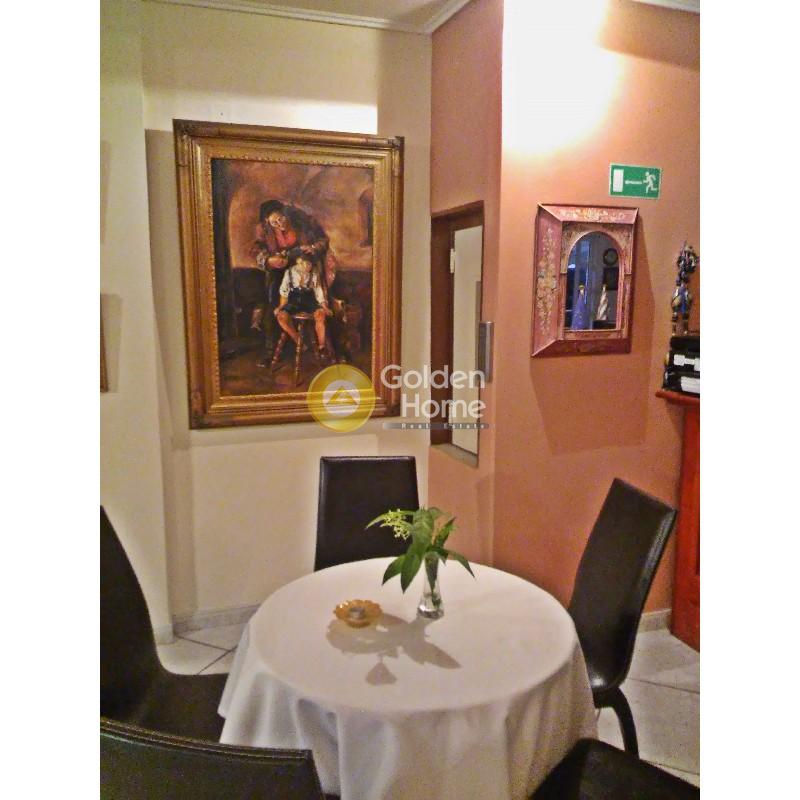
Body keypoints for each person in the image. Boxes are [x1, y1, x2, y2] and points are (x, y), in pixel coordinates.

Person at [249, 200, 331, 359]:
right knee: (272, 300)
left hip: (306, 268)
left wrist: (313, 248)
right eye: (274, 223)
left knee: (319, 305)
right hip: (280, 273)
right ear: (268, 223)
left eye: (281, 219)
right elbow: (256, 250)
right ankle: (271, 350)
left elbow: (323, 240)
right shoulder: (265, 231)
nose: (279, 224)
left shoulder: (302, 222)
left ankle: (322, 348)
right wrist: (268, 260)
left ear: (285, 214)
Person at [274, 253, 333, 361]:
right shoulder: (289, 272)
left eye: (310, 264)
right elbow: (284, 292)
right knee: (281, 317)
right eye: (305, 264)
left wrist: (324, 307)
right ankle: (299, 342)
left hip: (309, 301)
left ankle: (322, 346)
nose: (308, 267)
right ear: (299, 262)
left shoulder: (314, 273)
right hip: (294, 301)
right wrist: (280, 306)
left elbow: (319, 292)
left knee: (320, 315)